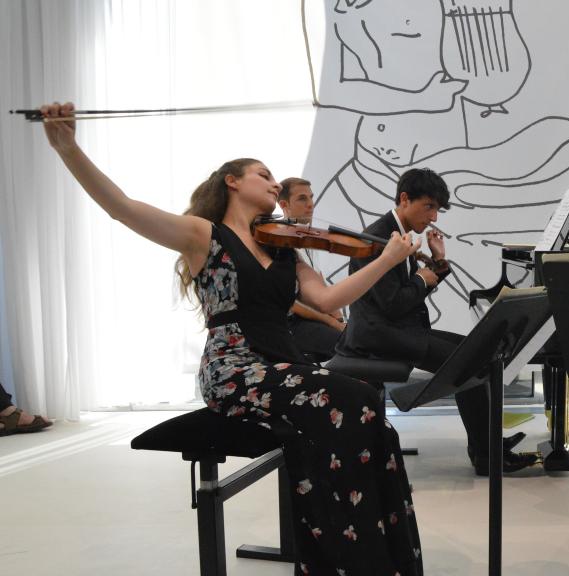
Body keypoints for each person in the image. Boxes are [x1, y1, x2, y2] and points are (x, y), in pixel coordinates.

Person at [38, 102, 424, 576]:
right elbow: (123, 209)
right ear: (233, 182)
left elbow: (327, 300)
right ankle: (341, 559)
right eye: (264, 174)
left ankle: (379, 559)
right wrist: (67, 147)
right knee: (352, 399)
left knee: (374, 418)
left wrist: (386, 260)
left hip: (283, 364)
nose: (275, 183)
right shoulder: (206, 236)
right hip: (235, 369)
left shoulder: (285, 248)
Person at [331, 168, 536, 476]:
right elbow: (394, 304)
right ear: (404, 199)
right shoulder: (378, 238)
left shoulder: (398, 232)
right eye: (429, 207)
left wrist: (437, 262)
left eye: (437, 209)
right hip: (379, 336)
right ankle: (486, 454)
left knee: (475, 351)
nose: (435, 217)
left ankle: (486, 446)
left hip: (397, 329)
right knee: (471, 361)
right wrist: (422, 279)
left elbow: (407, 294)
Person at [277, 177, 348, 362]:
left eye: (311, 197)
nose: (310, 204)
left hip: (313, 319)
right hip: (290, 323)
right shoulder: (277, 241)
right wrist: (332, 322)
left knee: (358, 338)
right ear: (284, 204)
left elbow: (319, 281)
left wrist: (339, 319)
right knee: (350, 345)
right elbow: (289, 302)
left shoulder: (305, 236)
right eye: (302, 199)